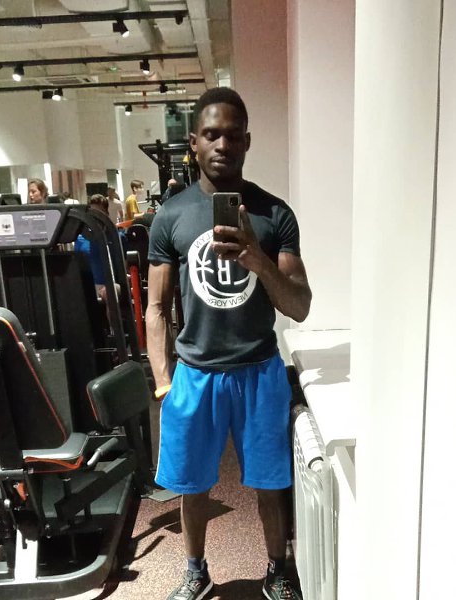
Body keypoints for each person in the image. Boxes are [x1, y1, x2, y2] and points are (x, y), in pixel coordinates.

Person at [146, 87, 311, 600]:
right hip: (194, 375)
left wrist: (257, 259)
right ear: (194, 143)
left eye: (233, 135)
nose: (223, 144)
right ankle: (196, 572)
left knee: (270, 482)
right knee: (191, 484)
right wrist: (163, 381)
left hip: (259, 370)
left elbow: (299, 305)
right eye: (212, 134)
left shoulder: (274, 214)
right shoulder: (170, 216)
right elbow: (155, 308)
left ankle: (277, 570)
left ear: (247, 141)